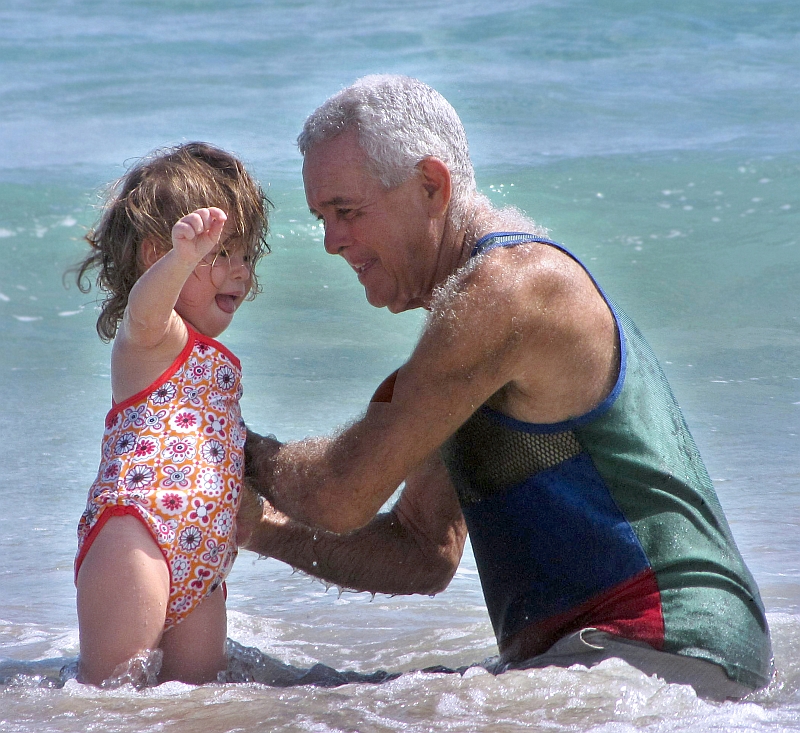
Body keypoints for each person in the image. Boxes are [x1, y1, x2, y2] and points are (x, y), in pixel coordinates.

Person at [240, 75, 773, 700]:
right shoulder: (468, 329)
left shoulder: (514, 289)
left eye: (347, 212)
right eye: (323, 218)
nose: (332, 242)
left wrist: (229, 441)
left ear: (431, 187)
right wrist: (256, 527)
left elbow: (341, 491)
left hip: (669, 649)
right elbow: (421, 550)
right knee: (294, 694)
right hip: (624, 658)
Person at [73, 142, 270, 686]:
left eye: (247, 254)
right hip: (134, 537)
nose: (241, 271)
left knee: (194, 702)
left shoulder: (213, 356)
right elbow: (144, 307)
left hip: (202, 563)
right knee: (110, 700)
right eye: (220, 253)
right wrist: (181, 260)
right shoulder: (153, 338)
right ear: (155, 254)